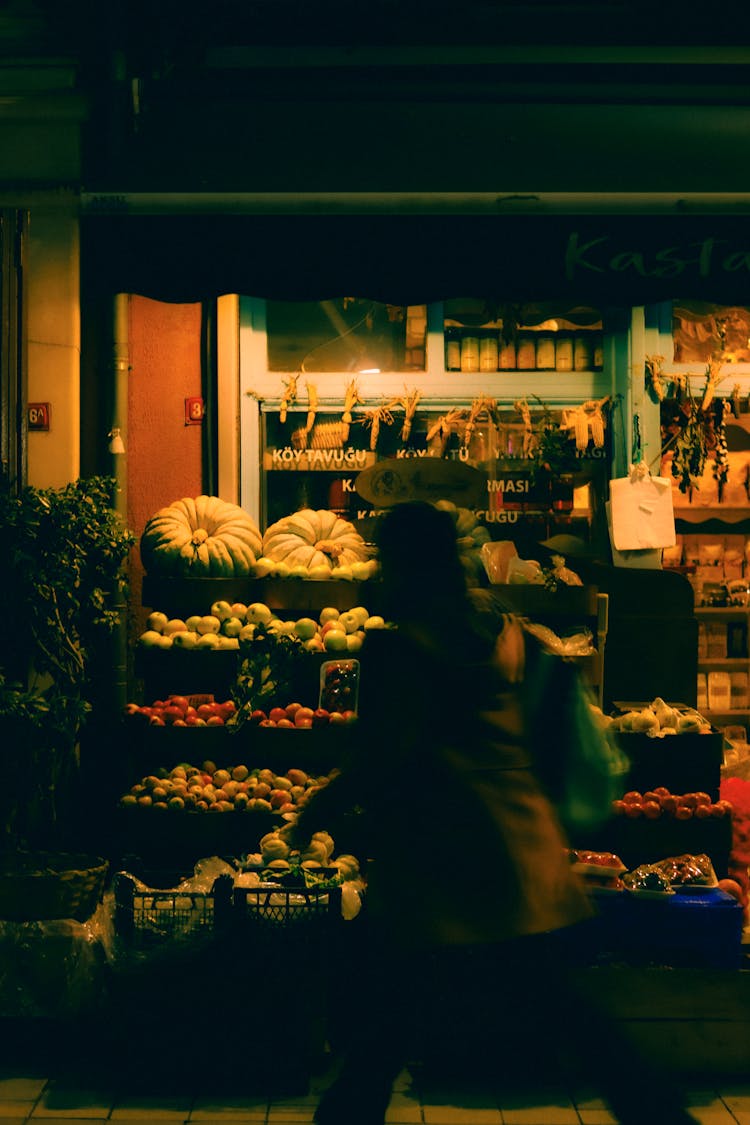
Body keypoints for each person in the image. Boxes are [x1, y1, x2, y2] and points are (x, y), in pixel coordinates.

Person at [287, 500, 695, 1125]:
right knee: (566, 1010)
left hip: (441, 865)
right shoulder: (507, 633)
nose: (378, 575)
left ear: (403, 566)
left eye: (384, 560)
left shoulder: (397, 654)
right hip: (520, 853)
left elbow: (380, 756)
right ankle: (663, 1113)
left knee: (386, 1028)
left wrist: (316, 809)